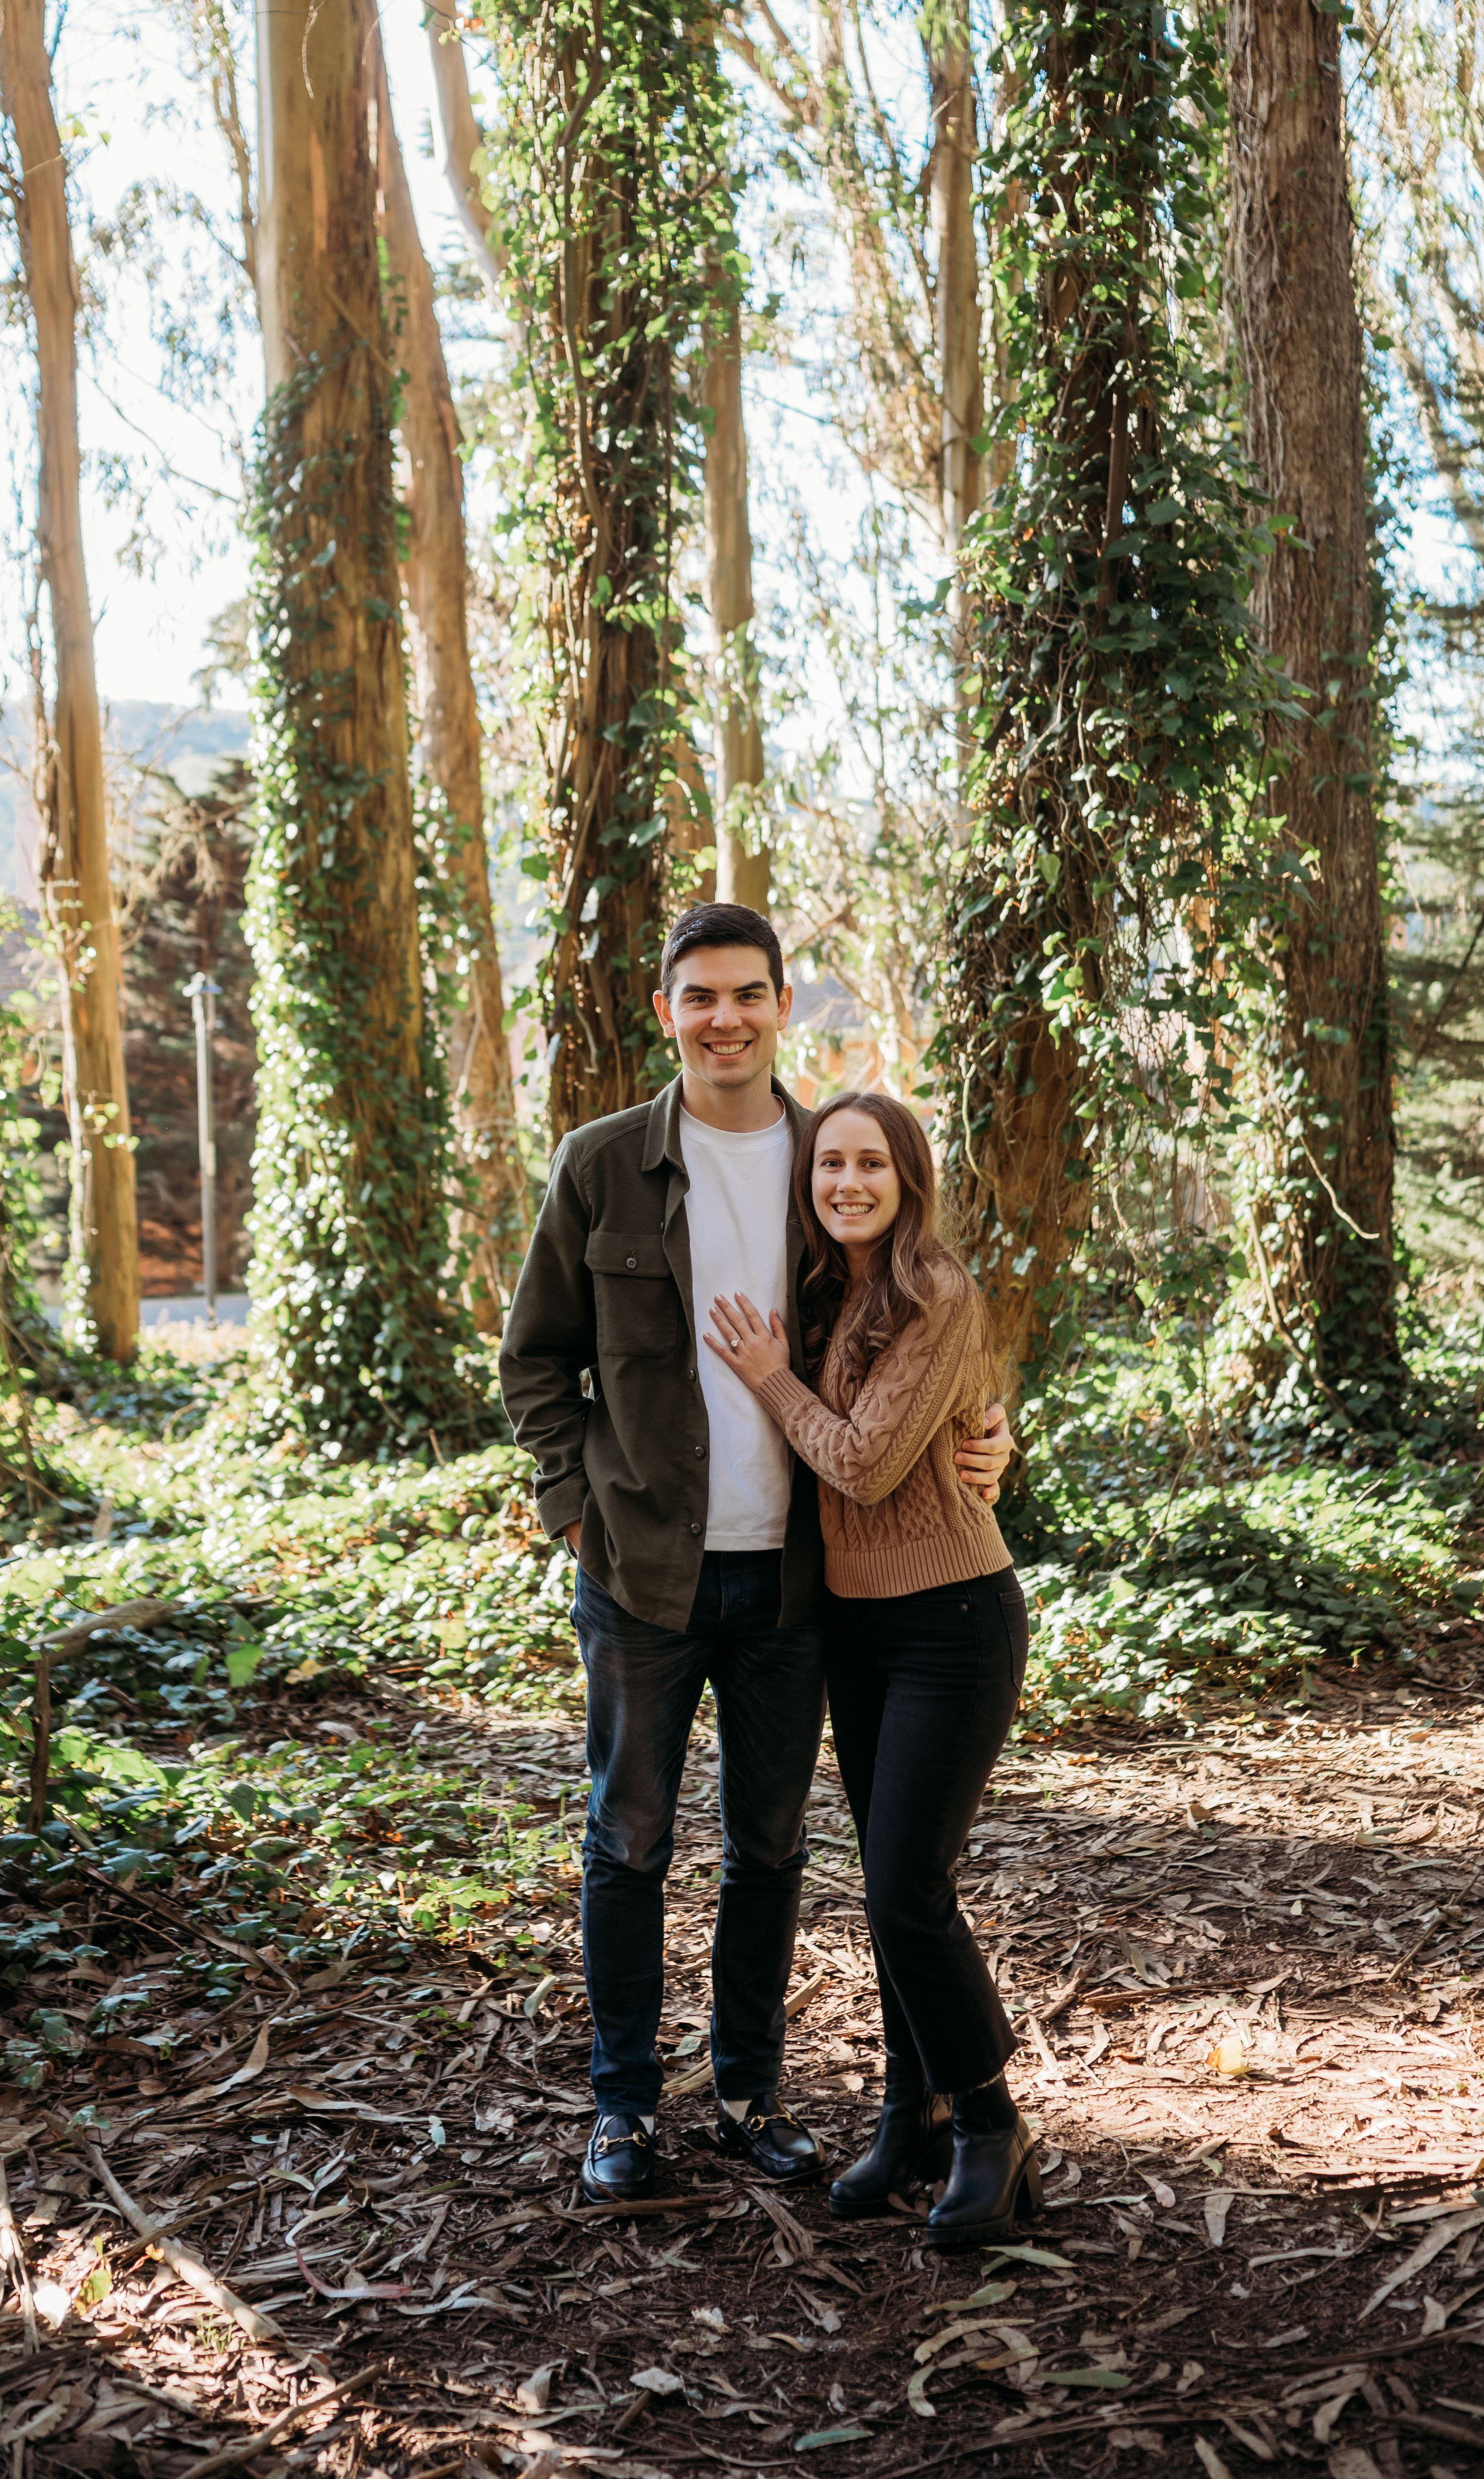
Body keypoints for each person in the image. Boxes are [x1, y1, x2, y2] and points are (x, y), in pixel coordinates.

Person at [499, 904, 1015, 2206]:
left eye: (747, 994)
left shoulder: (823, 1162)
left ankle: (747, 2094)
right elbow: (535, 1361)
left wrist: (988, 1427)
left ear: (784, 1006)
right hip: (641, 1574)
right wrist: (575, 1510)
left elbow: (916, 1322)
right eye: (699, 996)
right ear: (666, 1011)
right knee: (628, 1841)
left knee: (769, 1849)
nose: (723, 1018)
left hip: (795, 1578)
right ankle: (623, 2108)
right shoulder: (602, 1165)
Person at [701, 1089, 1040, 2248]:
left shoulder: (934, 1290)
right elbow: (958, 1412)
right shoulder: (829, 1290)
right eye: (829, 1166)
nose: (847, 1183)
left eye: (871, 1165)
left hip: (954, 1621)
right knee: (892, 1886)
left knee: (906, 1885)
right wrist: (992, 1425)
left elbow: (865, 1463)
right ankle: (915, 2116)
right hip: (856, 1627)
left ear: (909, 1180)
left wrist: (769, 1375)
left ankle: (992, 2125)